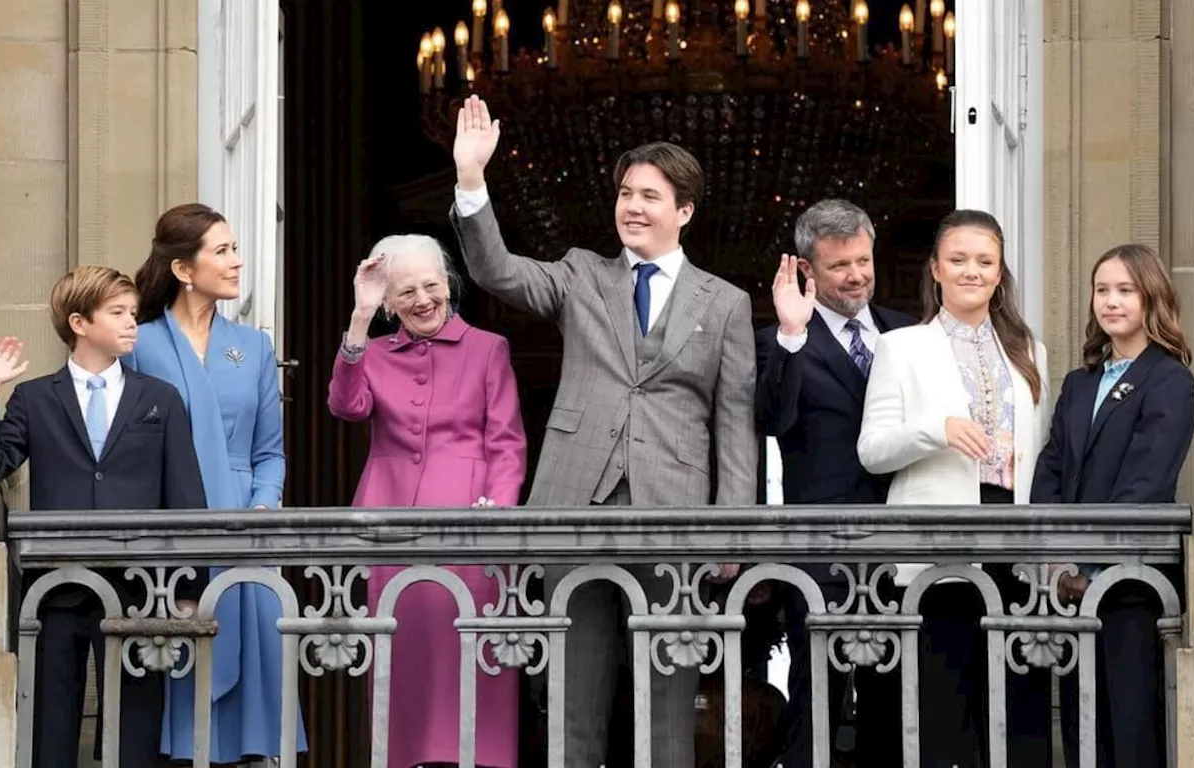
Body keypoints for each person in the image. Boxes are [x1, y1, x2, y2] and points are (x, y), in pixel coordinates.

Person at [449, 95, 758, 768]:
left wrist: (731, 526)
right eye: (625, 193)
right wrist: (472, 182)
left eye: (650, 195)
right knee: (573, 702)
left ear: (684, 211)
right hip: (574, 510)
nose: (633, 207)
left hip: (674, 519)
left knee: (666, 709)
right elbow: (495, 270)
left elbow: (735, 423)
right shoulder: (581, 275)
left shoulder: (726, 303)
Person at [0, 266, 206, 768]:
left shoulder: (159, 399)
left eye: (133, 314)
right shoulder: (35, 397)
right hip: (55, 591)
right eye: (117, 313)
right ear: (79, 322)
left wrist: (190, 590)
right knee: (50, 730)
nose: (131, 324)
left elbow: (186, 496)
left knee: (135, 734)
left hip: (143, 590)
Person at [856, 209, 1051, 767]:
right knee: (943, 701)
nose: (972, 271)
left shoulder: (1028, 349)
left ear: (999, 272)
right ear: (936, 269)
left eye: (984, 261)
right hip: (934, 545)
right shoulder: (902, 347)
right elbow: (872, 452)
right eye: (959, 259)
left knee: (1018, 702)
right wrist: (933, 430)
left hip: (1014, 545)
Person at [328, 234, 527, 768]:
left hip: (470, 523)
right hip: (390, 520)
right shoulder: (370, 352)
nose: (422, 299)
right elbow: (346, 407)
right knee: (403, 661)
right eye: (407, 291)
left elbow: (506, 441)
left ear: (449, 285)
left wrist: (499, 510)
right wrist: (359, 318)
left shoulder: (489, 348)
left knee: (468, 657)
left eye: (432, 285)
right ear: (390, 303)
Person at [125, 203, 307, 763]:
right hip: (171, 528)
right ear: (184, 268)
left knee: (255, 675)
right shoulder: (139, 343)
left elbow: (270, 453)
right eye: (223, 251)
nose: (237, 261)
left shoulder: (252, 346)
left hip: (245, 532)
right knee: (181, 665)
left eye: (235, 249)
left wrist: (262, 509)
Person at [754, 199, 913, 767]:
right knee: (815, 696)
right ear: (807, 270)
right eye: (840, 265)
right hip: (821, 546)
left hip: (901, 542)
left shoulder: (907, 333)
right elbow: (770, 419)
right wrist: (792, 334)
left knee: (891, 699)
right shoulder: (783, 340)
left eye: (863, 261)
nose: (856, 276)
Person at [1031, 243, 1194, 767]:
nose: (1112, 301)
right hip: (1071, 586)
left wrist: (1094, 566)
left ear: (1152, 298)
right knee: (1084, 733)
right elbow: (1051, 467)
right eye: (1103, 290)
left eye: (1126, 290)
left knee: (1131, 731)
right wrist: (1056, 561)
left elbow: (1145, 483)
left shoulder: (1169, 379)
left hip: (1131, 584)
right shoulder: (1079, 384)